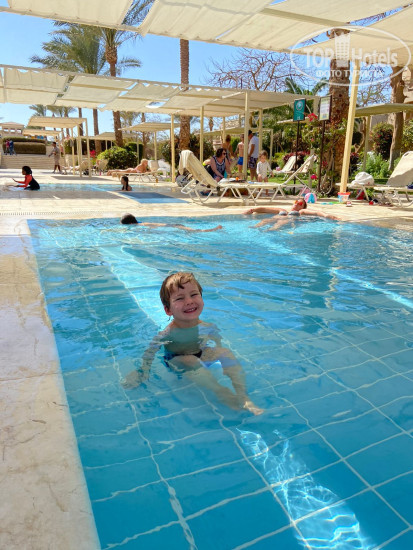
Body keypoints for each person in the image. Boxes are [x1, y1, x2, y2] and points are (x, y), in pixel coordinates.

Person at [121, 272, 263, 415]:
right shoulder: (169, 333)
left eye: (194, 294)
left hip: (200, 353)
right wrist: (144, 370)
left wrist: (220, 356)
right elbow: (151, 350)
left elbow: (216, 339)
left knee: (226, 353)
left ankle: (243, 397)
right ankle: (221, 393)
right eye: (180, 298)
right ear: (168, 310)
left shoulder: (207, 326)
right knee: (190, 360)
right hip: (176, 359)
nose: (189, 301)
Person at [244, 198, 339, 231]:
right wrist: (252, 210)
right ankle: (255, 228)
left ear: (302, 207)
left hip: (287, 222)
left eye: (300, 203)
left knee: (281, 222)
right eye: (296, 202)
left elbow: (316, 213)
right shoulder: (282, 210)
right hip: (276, 218)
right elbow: (265, 209)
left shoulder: (301, 212)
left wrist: (327, 216)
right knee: (267, 220)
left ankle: (269, 231)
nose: (296, 204)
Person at [120, 213, 223, 232]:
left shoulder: (141, 225)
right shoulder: (141, 223)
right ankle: (214, 229)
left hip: (175, 227)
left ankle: (214, 229)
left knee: (196, 231)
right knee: (194, 231)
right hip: (174, 226)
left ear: (130, 224)